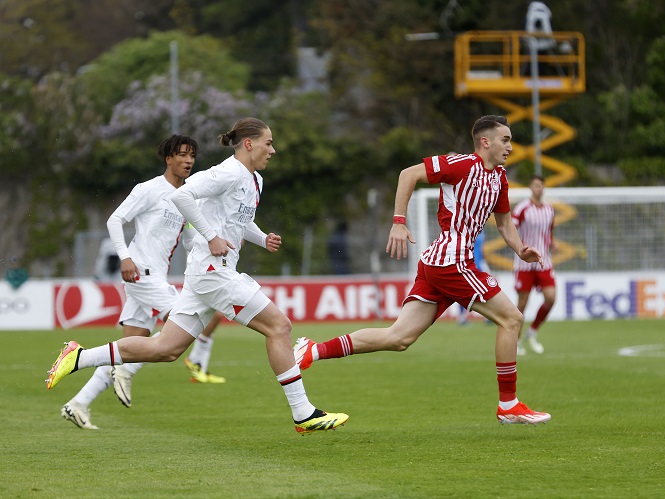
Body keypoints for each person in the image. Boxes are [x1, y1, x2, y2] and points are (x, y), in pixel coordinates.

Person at [47, 118, 348, 434]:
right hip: (211, 273)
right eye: (268, 143)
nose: (272, 150)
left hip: (203, 277)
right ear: (248, 144)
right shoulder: (227, 172)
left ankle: (79, 357)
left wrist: (262, 239)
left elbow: (239, 220)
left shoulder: (255, 180)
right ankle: (303, 413)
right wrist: (210, 236)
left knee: (167, 349)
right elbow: (181, 197)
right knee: (280, 326)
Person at [294, 115, 551, 425]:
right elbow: (408, 174)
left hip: (438, 264)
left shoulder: (499, 178)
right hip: (451, 262)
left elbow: (505, 223)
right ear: (486, 142)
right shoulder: (461, 164)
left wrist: (521, 249)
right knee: (512, 319)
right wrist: (399, 222)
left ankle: (313, 350)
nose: (510, 146)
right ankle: (508, 405)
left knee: (398, 338)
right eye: (505, 140)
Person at [59, 134, 225, 430]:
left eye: (192, 156)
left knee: (129, 347)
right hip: (141, 274)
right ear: (168, 158)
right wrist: (125, 256)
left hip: (154, 277)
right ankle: (115, 369)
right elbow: (115, 219)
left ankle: (78, 404)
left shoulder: (187, 196)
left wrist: (210, 244)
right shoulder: (149, 189)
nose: (188, 161)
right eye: (183, 155)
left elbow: (187, 237)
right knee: (184, 325)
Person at [513, 175, 556, 355]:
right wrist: (520, 248)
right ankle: (515, 340)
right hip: (524, 264)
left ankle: (532, 332)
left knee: (551, 297)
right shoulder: (522, 208)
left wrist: (552, 243)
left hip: (544, 261)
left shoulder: (549, 210)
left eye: (541, 185)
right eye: (535, 185)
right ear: (530, 187)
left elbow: (549, 232)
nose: (539, 188)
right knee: (522, 304)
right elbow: (511, 229)